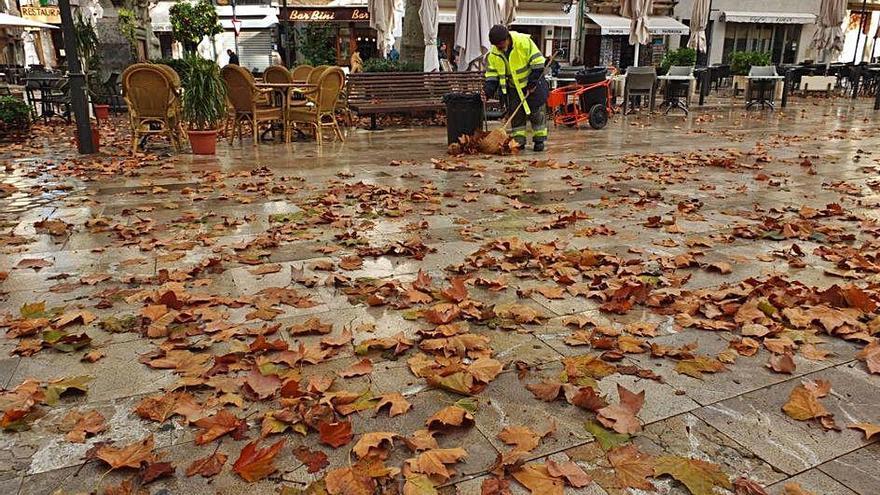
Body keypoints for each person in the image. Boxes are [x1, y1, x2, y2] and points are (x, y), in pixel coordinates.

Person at [484, 25, 549, 152]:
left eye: (501, 44)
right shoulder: (493, 53)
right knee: (517, 116)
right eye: (496, 45)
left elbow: (538, 63)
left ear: (507, 38)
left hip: (532, 84)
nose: (499, 47)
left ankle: (539, 140)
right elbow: (492, 75)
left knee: (537, 113)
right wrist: (488, 91)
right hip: (513, 88)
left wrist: (532, 83)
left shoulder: (523, 42)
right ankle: (519, 142)